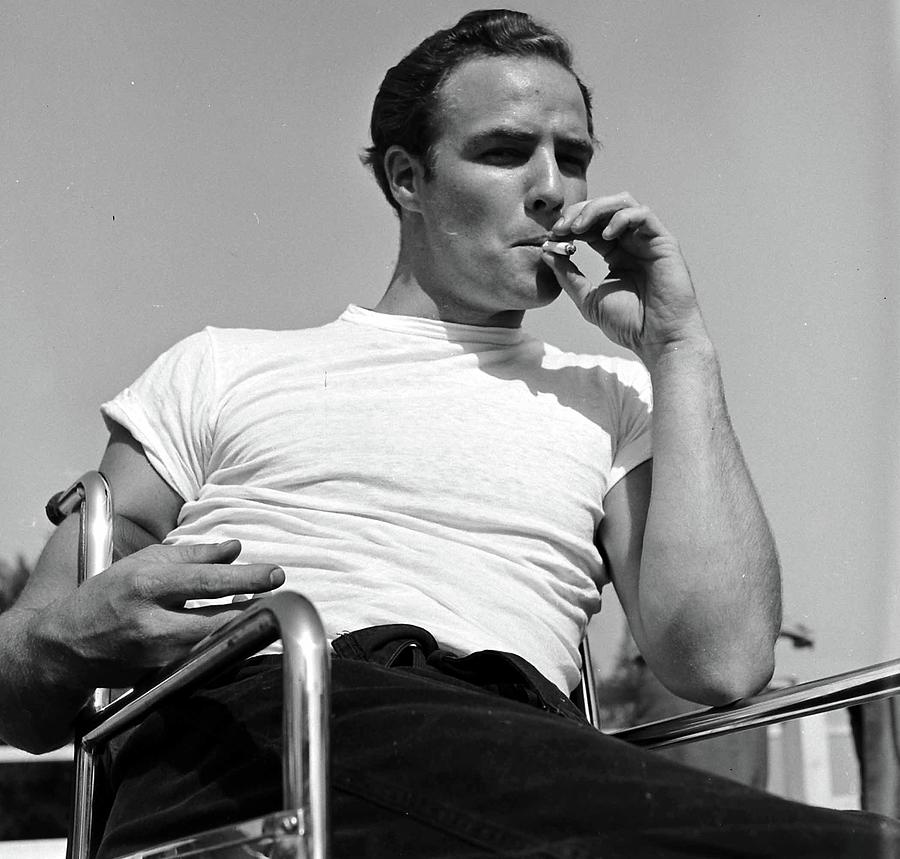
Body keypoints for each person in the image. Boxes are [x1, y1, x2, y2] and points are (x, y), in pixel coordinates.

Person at [1, 9, 897, 857]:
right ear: (407, 178)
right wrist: (76, 631)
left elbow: (724, 661)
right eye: (506, 152)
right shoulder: (221, 367)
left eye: (573, 157)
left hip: (504, 748)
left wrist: (681, 348)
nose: (553, 190)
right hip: (262, 723)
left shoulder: (616, 395)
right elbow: (21, 688)